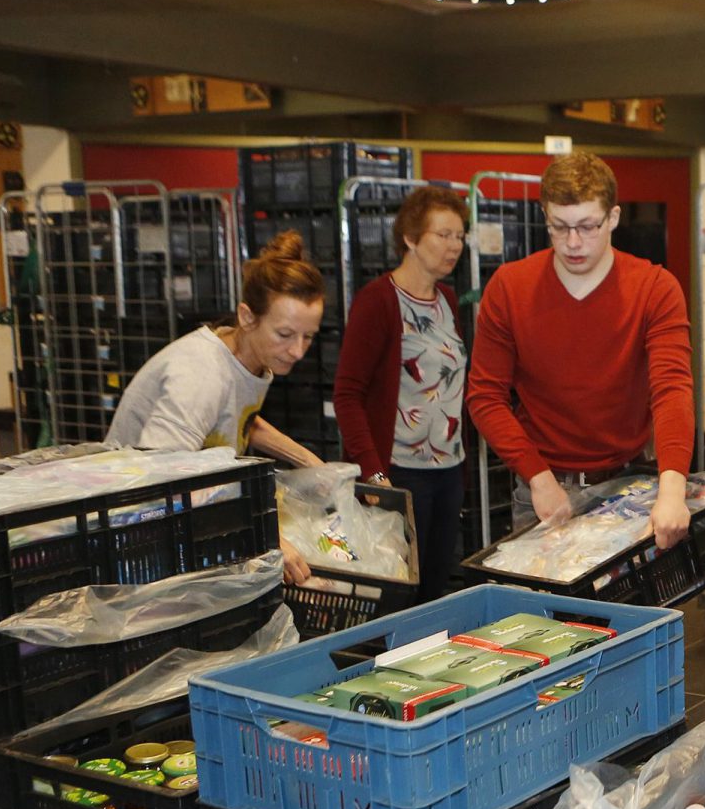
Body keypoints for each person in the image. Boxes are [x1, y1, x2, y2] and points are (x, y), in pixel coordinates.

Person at [465, 150, 694, 548]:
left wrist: (672, 490)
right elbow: (485, 396)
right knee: (541, 610)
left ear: (614, 219)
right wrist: (537, 476)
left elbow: (672, 390)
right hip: (543, 488)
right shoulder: (509, 287)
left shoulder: (655, 288)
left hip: (628, 487)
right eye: (560, 227)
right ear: (545, 217)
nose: (573, 242)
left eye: (588, 226)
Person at [106, 230, 325, 584]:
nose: (298, 351)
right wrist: (264, 535)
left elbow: (237, 417)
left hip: (187, 519)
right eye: (285, 334)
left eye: (308, 336)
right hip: (137, 528)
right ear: (247, 316)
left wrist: (308, 462)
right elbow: (159, 475)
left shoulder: (249, 355)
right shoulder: (201, 374)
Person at [332, 186, 470, 601]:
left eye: (460, 236)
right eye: (443, 235)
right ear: (410, 238)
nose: (454, 246)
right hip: (400, 472)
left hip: (448, 471)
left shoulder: (446, 300)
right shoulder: (378, 301)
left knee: (434, 587)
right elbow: (348, 394)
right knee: (397, 593)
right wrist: (373, 471)